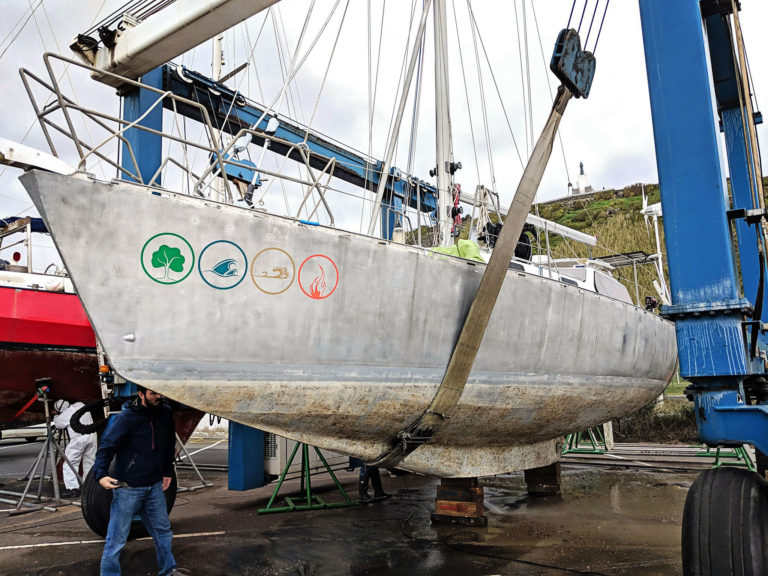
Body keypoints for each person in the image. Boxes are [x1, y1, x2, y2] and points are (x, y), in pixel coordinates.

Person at [92, 385, 178, 576]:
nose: (158, 396)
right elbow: (107, 446)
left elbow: (168, 442)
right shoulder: (127, 418)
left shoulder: (165, 413)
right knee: (116, 540)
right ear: (141, 395)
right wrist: (100, 474)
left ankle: (168, 571)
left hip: (154, 486)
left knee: (163, 533)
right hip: (128, 489)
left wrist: (167, 471)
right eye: (153, 393)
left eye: (160, 392)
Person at [52, 399, 98, 499]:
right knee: (90, 462)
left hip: (78, 438)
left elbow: (58, 425)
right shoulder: (80, 404)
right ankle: (89, 486)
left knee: (70, 464)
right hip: (92, 435)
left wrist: (56, 415)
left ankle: (73, 489)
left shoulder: (64, 415)